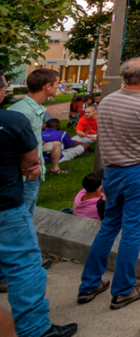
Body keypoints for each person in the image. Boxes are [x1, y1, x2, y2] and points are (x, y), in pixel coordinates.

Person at [75, 58, 140, 311]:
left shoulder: (107, 101)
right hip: (139, 171)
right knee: (132, 230)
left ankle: (89, 284)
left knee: (109, 226)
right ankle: (123, 290)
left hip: (112, 173)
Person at [0, 74, 77, 337]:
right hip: (7, 204)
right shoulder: (13, 118)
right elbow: (30, 160)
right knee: (24, 265)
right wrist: (29, 166)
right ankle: (35, 330)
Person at [9, 68, 60, 211]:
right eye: (57, 82)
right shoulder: (22, 111)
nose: (59, 86)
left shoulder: (35, 109)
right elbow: (11, 145)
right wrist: (32, 169)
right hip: (24, 177)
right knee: (22, 220)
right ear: (47, 86)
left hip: (31, 174)